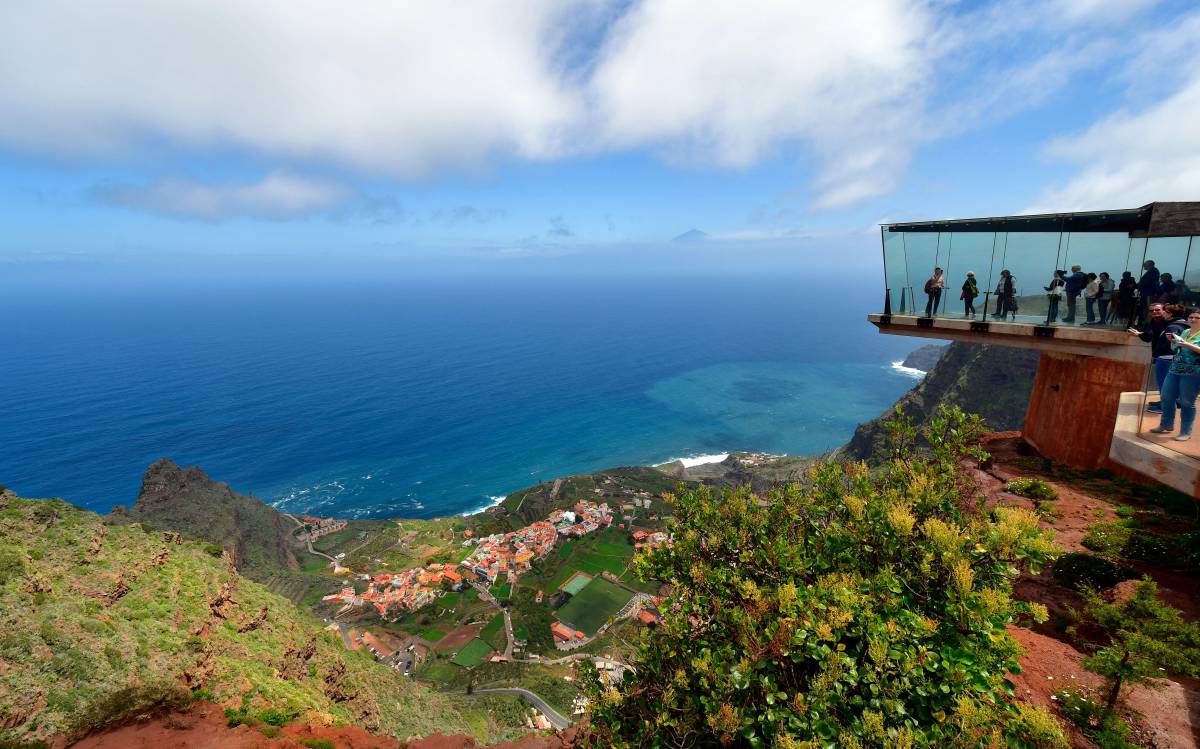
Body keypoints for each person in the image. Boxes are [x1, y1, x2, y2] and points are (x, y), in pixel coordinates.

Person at [1149, 309, 1200, 441]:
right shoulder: (1186, 331)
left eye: (1197, 317)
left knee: (1187, 402)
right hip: (1175, 369)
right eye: (1191, 317)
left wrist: (1187, 344)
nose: (1193, 319)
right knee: (1166, 396)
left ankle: (1185, 432)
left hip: (1193, 372)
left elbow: (1190, 348)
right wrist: (1173, 342)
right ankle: (1166, 424)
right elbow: (1176, 349)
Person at [1129, 302, 1187, 413]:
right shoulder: (1178, 324)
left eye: (1160, 310)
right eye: (1152, 311)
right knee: (1171, 382)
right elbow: (1152, 336)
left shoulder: (1172, 325)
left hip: (1166, 358)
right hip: (1171, 357)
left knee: (1165, 383)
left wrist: (1159, 353)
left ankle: (1166, 406)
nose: (1156, 313)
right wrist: (1140, 334)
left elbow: (1171, 343)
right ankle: (1171, 402)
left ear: (1169, 313)